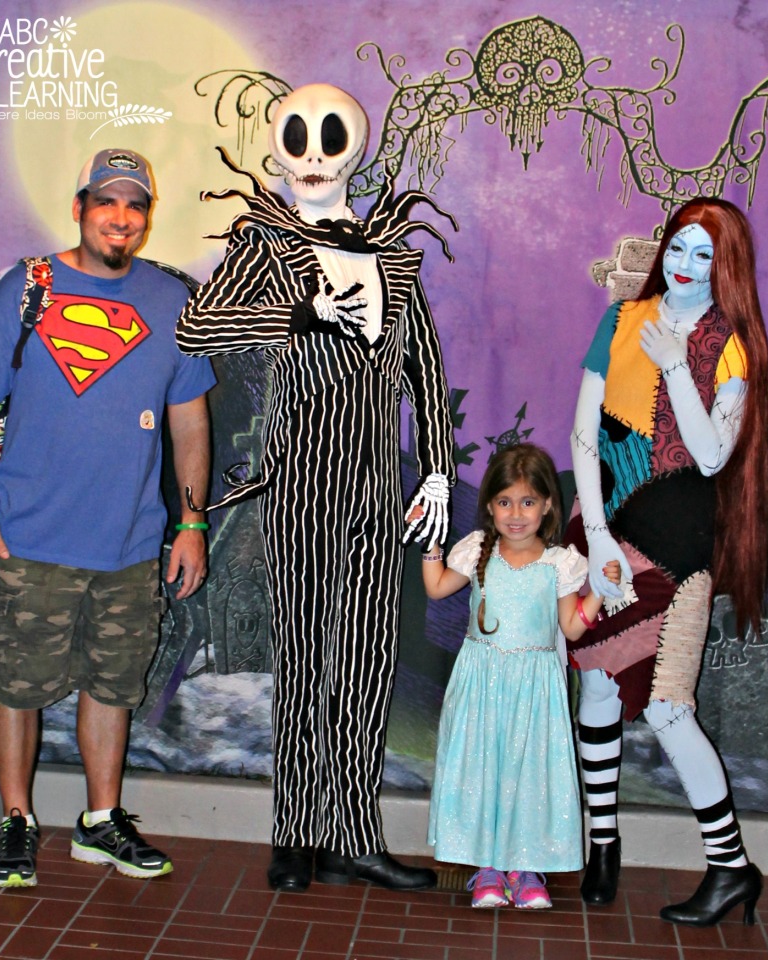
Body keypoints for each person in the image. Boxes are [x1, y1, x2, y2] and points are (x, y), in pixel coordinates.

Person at [177, 83, 455, 892]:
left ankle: (354, 832)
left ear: (353, 148)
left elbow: (425, 375)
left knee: (367, 658)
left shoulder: (394, 257)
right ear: (277, 145)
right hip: (298, 481)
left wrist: (435, 466)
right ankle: (295, 833)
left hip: (375, 489)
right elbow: (198, 326)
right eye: (295, 136)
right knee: (302, 655)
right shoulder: (266, 244)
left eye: (328, 137)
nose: (310, 155)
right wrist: (293, 316)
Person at [0, 147, 216, 889]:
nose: (121, 218)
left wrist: (190, 524)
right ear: (81, 206)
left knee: (113, 684)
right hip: (28, 534)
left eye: (135, 206)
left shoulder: (169, 303)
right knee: (19, 684)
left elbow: (190, 422)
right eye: (108, 202)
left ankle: (101, 820)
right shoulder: (28, 287)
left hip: (130, 544)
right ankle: (16, 819)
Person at [568, 197, 768, 925]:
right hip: (604, 529)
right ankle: (601, 844)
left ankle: (730, 867)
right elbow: (584, 433)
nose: (686, 266)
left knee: (665, 705)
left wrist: (675, 368)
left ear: (728, 268)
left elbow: (714, 454)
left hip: (680, 551)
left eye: (704, 255)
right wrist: (592, 538)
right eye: (679, 248)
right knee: (595, 683)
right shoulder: (622, 318)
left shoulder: (731, 346)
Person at [418, 443, 620, 909]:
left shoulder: (561, 564)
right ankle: (487, 867)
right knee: (483, 769)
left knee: (530, 773)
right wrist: (429, 540)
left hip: (536, 690)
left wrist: (601, 593)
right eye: (505, 502)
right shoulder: (475, 552)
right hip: (481, 684)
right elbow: (436, 587)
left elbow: (571, 627)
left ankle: (525, 868)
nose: (516, 514)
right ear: (489, 506)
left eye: (527, 502)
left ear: (547, 505)